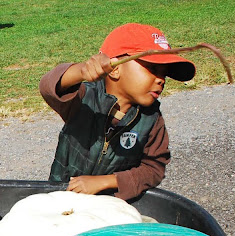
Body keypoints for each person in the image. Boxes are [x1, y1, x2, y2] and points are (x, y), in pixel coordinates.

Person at [39, 23, 196, 201]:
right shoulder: (84, 98)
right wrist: (81, 71)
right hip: (63, 200)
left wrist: (105, 181)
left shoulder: (152, 118)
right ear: (114, 69)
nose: (161, 80)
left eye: (164, 73)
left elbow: (154, 169)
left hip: (113, 206)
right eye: (152, 69)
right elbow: (49, 87)